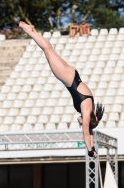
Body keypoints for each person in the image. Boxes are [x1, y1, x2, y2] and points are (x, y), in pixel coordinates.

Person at [19, 21, 104, 158]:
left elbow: (90, 133)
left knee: (50, 50)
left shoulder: (89, 109)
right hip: (68, 78)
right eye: (82, 123)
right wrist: (89, 150)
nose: (80, 122)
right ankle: (28, 30)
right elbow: (86, 133)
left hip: (73, 75)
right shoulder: (86, 111)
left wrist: (93, 148)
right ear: (86, 121)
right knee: (47, 51)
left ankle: (33, 31)